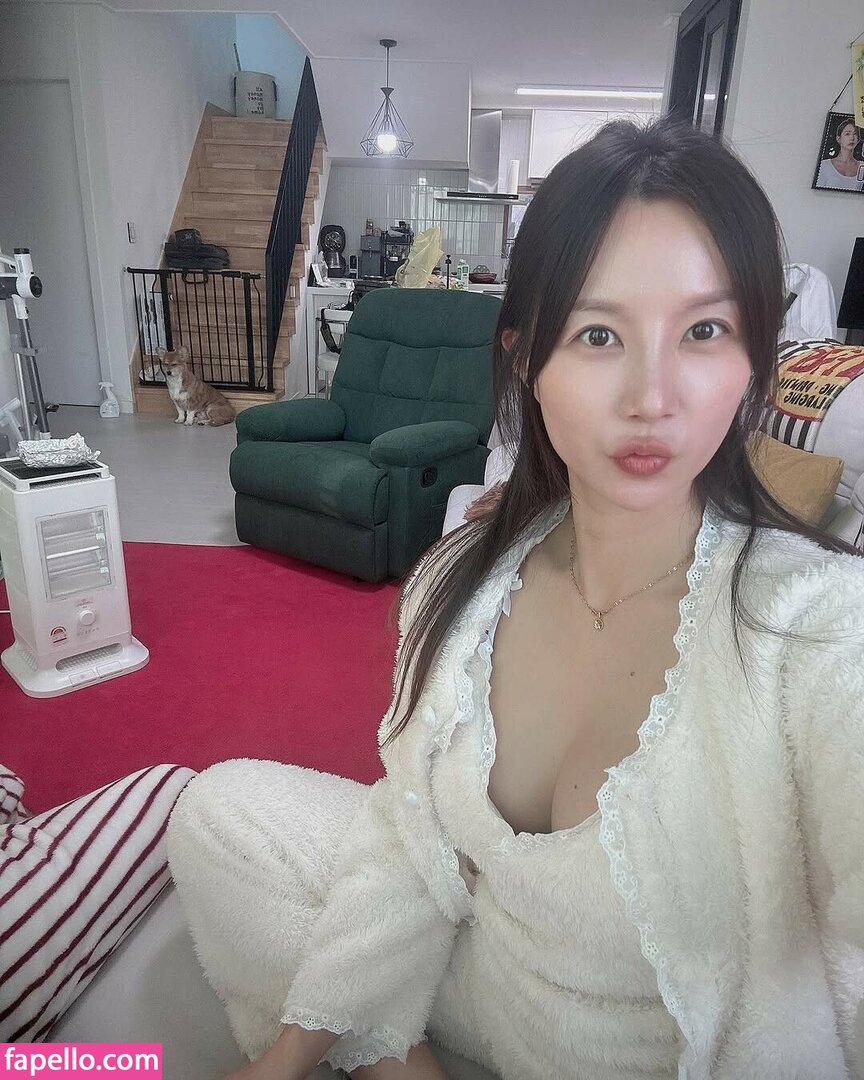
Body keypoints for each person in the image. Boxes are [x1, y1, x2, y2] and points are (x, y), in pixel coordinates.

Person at [166, 116, 864, 1080]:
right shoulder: (462, 580)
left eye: (704, 331)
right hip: (491, 983)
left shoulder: (821, 626)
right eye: (598, 334)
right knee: (220, 812)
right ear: (527, 358)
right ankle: (398, 1056)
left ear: (754, 359)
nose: (652, 396)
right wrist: (286, 1061)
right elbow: (415, 840)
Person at [815, 116, 864, 191]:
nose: (852, 138)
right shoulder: (825, 165)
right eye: (847, 134)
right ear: (838, 138)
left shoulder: (862, 167)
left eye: (855, 134)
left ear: (858, 139)